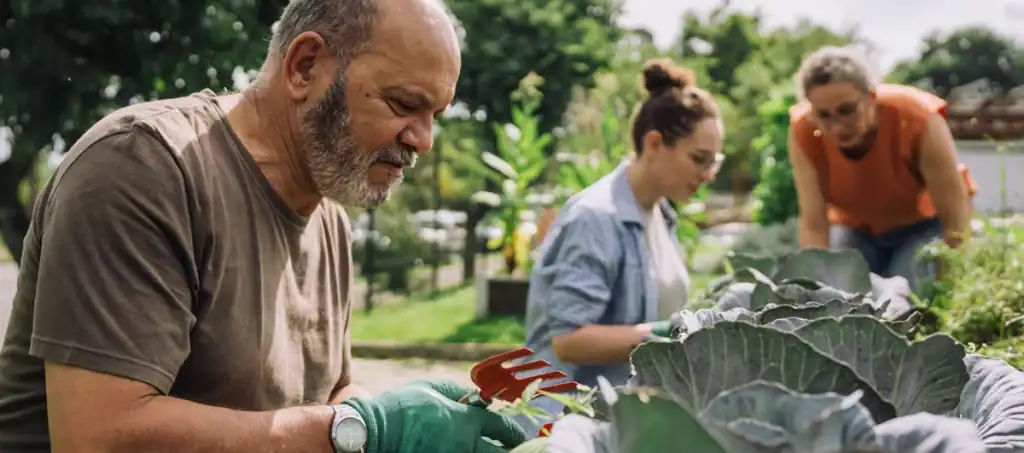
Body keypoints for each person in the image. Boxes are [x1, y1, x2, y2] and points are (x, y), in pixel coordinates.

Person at [0, 0, 526, 452]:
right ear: (304, 66)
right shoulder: (143, 169)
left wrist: (396, 414)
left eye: (436, 114)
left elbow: (333, 395)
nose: (424, 140)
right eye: (405, 104)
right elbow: (98, 437)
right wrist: (365, 430)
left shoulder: (328, 216)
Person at [515, 58, 724, 435]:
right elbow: (569, 340)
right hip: (568, 427)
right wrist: (671, 332)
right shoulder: (596, 218)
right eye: (699, 159)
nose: (707, 174)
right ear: (655, 143)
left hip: (622, 425)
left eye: (714, 162)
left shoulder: (662, 216)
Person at [788, 46, 976, 292]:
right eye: (824, 115)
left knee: (907, 291)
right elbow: (814, 224)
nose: (837, 126)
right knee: (844, 293)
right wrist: (816, 286)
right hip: (857, 229)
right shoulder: (803, 131)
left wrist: (952, 273)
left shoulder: (917, 118)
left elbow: (953, 213)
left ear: (871, 99)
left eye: (846, 111)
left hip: (924, 226)